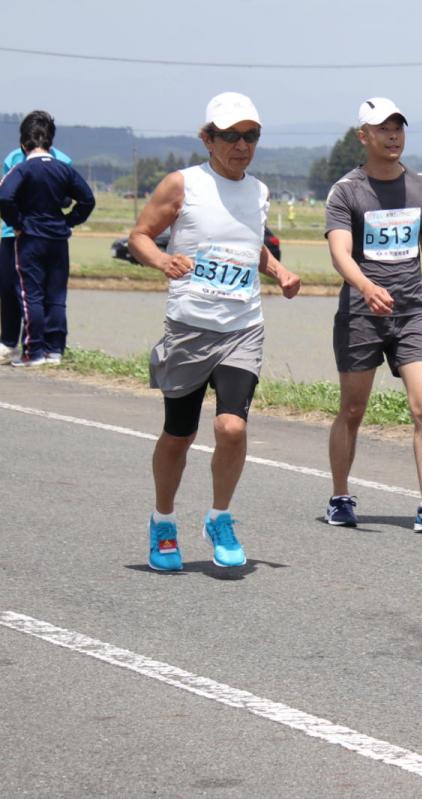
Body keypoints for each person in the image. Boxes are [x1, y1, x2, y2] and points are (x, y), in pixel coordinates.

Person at [128, 92, 301, 571]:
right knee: (178, 435)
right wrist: (163, 258)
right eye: (230, 136)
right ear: (207, 139)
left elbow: (248, 247)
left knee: (231, 427)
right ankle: (163, 522)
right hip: (189, 327)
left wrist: (280, 272)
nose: (241, 145)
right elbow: (140, 235)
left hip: (242, 327)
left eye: (251, 136)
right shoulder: (182, 185)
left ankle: (219, 518)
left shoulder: (259, 192)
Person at [323, 97, 422, 532]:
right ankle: (340, 497)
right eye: (383, 129)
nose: (393, 135)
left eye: (398, 127)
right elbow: (340, 253)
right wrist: (366, 286)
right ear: (363, 136)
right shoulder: (346, 190)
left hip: (411, 314)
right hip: (361, 314)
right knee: (353, 409)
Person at [0, 110, 94, 367]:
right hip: (45, 236)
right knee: (20, 290)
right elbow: (85, 198)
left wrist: (20, 222)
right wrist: (66, 221)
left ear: (24, 142)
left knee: (31, 294)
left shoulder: (32, 164)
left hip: (28, 236)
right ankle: (45, 349)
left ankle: (33, 350)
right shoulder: (51, 164)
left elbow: (4, 195)